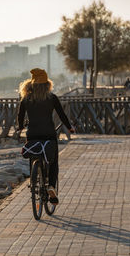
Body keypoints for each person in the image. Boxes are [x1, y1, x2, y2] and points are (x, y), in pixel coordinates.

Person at [17, 68, 74, 205]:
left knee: (33, 154)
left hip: (32, 133)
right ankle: (51, 187)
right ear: (47, 83)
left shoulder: (26, 98)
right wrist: (70, 127)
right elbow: (62, 115)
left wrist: (20, 127)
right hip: (48, 133)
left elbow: (20, 116)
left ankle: (33, 180)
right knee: (53, 161)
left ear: (31, 83)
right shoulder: (52, 98)